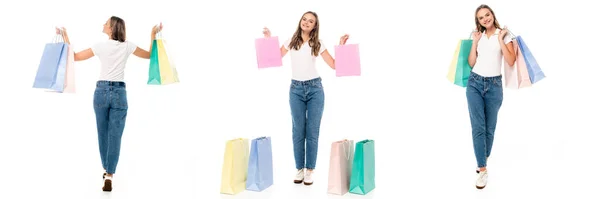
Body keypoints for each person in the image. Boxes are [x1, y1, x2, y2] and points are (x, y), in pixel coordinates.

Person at [56, 16, 163, 192]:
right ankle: (110, 174)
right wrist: (152, 34)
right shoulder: (128, 45)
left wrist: (65, 36)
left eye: (106, 23)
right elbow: (151, 55)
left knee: (103, 134)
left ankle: (106, 170)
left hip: (101, 92)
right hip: (119, 93)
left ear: (112, 28)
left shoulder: (100, 46)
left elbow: (73, 57)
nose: (103, 24)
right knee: (115, 136)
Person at [262, 11, 349, 186]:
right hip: (295, 89)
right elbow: (274, 57)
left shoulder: (317, 43)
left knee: (312, 132)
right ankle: (299, 169)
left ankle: (310, 170)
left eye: (311, 21)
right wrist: (268, 40)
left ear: (315, 26)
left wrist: (341, 47)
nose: (307, 23)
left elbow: (334, 65)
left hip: (315, 89)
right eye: (305, 19)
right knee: (297, 131)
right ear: (300, 21)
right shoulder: (291, 41)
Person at [467, 4, 516, 189]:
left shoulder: (505, 34)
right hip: (474, 84)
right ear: (478, 21)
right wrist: (474, 41)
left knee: (489, 128)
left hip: (494, 86)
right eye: (481, 17)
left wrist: (501, 39)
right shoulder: (478, 36)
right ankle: (482, 169)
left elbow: (510, 61)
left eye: (487, 15)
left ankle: (482, 156)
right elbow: (472, 63)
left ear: (492, 15)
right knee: (478, 127)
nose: (485, 19)